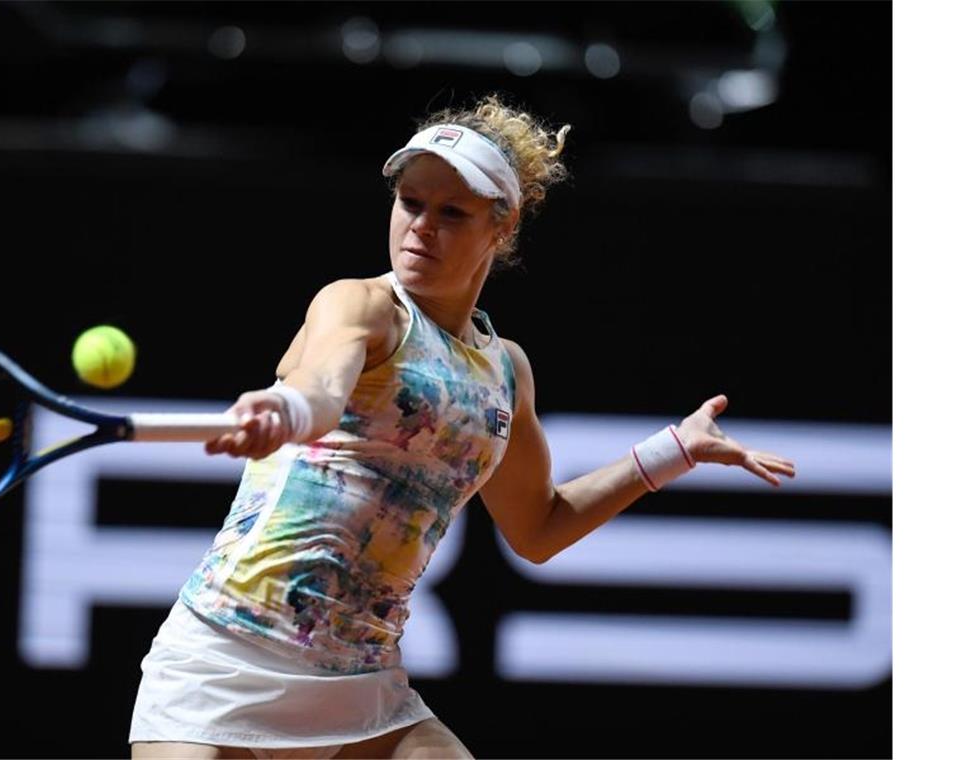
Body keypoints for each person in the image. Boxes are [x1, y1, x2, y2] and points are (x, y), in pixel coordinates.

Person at [128, 94, 796, 759]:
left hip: (361, 687)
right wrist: (287, 411)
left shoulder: (505, 373)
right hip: (221, 659)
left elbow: (538, 527)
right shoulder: (360, 304)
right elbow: (322, 390)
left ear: (500, 230)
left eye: (452, 213)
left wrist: (673, 450)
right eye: (410, 202)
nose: (421, 226)